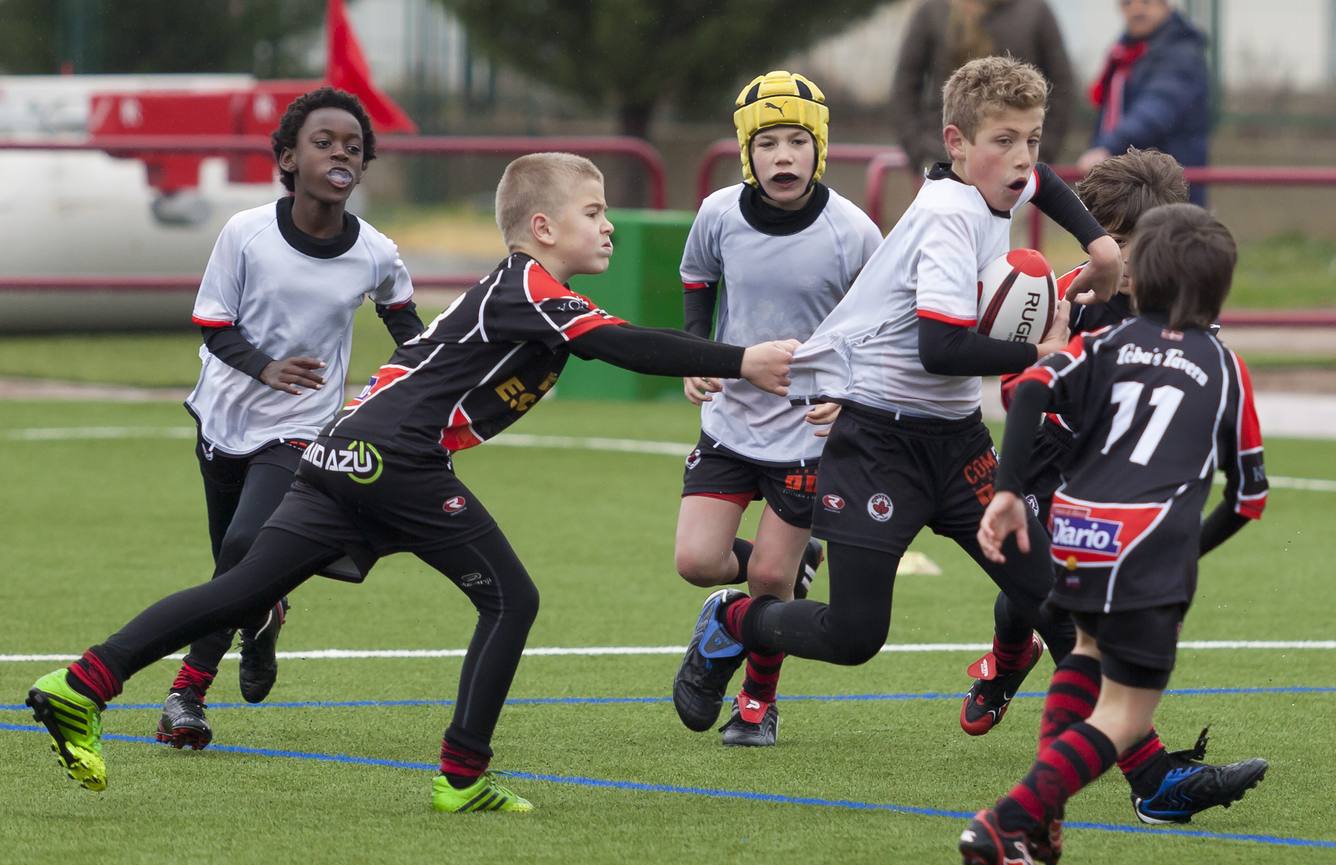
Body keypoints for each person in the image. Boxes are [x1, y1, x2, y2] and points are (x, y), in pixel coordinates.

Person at [23, 152, 798, 813]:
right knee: (511, 599)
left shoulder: (523, 293)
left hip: (346, 450)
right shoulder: (528, 288)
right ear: (542, 228)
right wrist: (741, 359)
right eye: (594, 212)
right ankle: (463, 775)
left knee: (241, 588)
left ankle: (82, 682)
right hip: (396, 458)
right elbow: (624, 344)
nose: (609, 226)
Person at [670, 57, 1122, 740]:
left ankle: (1133, 765)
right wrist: (1041, 355)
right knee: (854, 636)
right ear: (957, 143)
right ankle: (734, 620)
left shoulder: (996, 181)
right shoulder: (946, 218)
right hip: (878, 441)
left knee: (1051, 597)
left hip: (957, 439)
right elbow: (939, 350)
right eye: (1004, 140)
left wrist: (1100, 244)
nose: (1023, 158)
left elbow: (1045, 182)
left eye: (1032, 138)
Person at [958, 203, 1269, 865]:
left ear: (1135, 279)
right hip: (1145, 550)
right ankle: (1006, 821)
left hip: (1074, 533)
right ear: (1218, 290)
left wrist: (1009, 491)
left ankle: (1038, 824)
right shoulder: (1224, 367)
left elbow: (1032, 386)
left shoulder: (1103, 345)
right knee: (1125, 715)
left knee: (1087, 657)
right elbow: (1249, 498)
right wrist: (1183, 552)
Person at [158, 86, 424, 751]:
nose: (340, 153)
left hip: (303, 426)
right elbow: (213, 326)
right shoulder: (245, 233)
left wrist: (424, 385)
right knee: (233, 558)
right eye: (323, 141)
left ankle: (186, 692)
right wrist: (265, 367)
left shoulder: (376, 253)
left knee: (247, 549)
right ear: (287, 158)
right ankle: (265, 615)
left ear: (362, 168)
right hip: (223, 414)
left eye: (353, 146)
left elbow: (409, 330)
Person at [674, 71, 882, 747]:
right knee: (698, 561)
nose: (783, 156)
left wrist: (850, 394)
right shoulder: (718, 213)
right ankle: (756, 589)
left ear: (819, 149)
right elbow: (697, 277)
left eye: (798, 141)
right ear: (747, 154)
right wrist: (696, 355)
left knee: (769, 576)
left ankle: (757, 705)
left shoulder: (854, 231)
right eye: (768, 144)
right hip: (731, 423)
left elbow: (882, 324)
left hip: (807, 433)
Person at [893, 0, 1076, 170]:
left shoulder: (1034, 11)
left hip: (1015, 159)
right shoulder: (933, 10)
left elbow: (1062, 84)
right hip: (943, 156)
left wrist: (1042, 151)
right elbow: (906, 84)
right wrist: (918, 149)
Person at [1077, 0, 1212, 206]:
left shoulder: (1181, 51)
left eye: (1147, 1)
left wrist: (1106, 148)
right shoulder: (1124, 52)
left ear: (1167, 4)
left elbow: (1157, 108)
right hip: (1131, 183)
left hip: (1166, 187)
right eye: (1127, 3)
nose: (1136, 9)